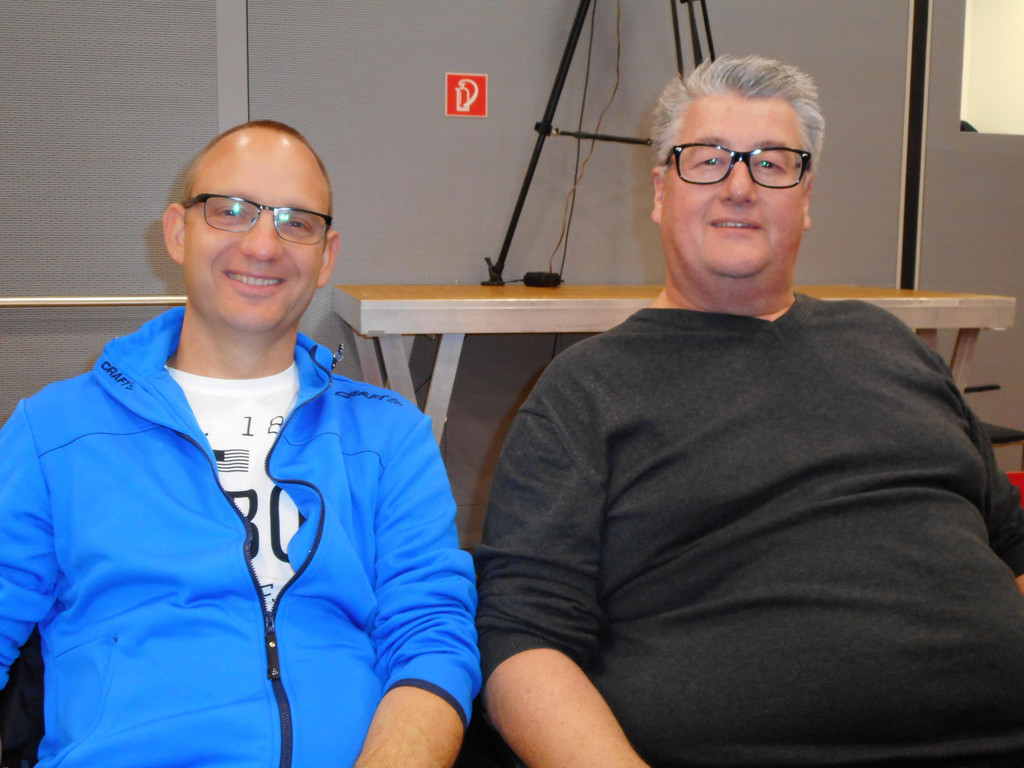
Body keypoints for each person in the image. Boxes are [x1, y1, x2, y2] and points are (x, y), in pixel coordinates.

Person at [474, 55, 1024, 767]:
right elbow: (521, 641)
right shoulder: (584, 392)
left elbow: (1012, 551)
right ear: (661, 191)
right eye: (708, 160)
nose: (739, 186)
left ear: (806, 196)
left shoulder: (890, 345)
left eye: (771, 163)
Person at [0, 120, 481, 768]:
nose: (262, 245)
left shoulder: (390, 437)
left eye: (295, 222)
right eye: (230, 211)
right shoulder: (54, 432)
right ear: (178, 231)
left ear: (327, 256)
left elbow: (432, 642)